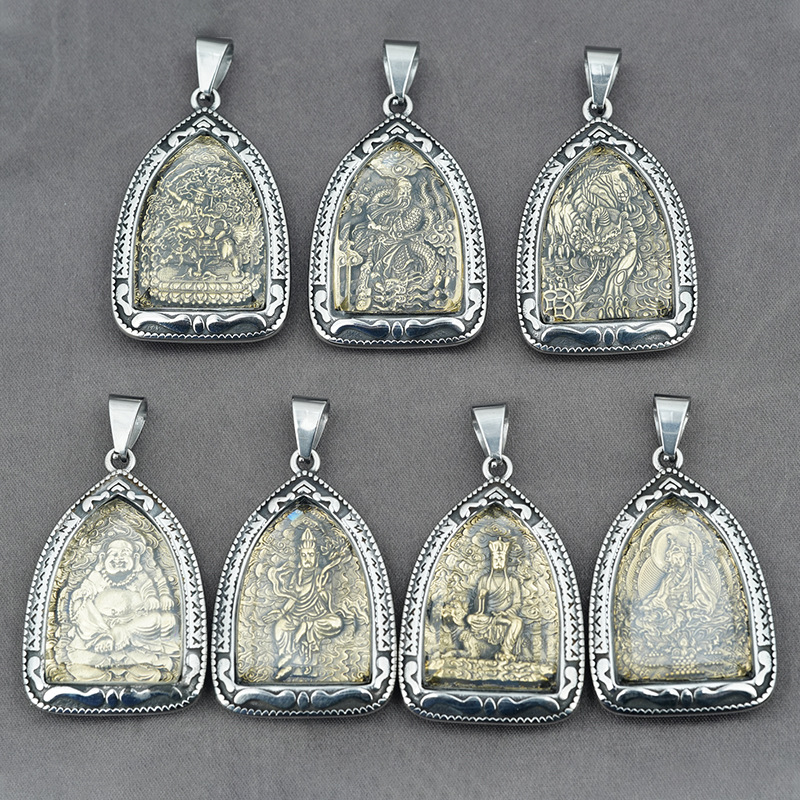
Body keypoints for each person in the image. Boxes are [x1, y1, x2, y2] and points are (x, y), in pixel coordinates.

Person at [59, 535, 180, 683]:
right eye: (114, 554)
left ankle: (118, 636)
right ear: (103, 558)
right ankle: (103, 639)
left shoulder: (140, 576)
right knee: (81, 605)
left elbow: (148, 589)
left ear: (135, 558)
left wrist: (151, 598)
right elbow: (88, 587)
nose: (119, 558)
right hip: (100, 626)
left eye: (124, 554)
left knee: (166, 620)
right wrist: (82, 593)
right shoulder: (97, 575)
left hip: (132, 626)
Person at [268, 527, 344, 680]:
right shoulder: (296, 576)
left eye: (310, 555)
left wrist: (321, 589)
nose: (307, 559)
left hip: (317, 616)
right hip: (297, 615)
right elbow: (293, 598)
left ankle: (306, 628)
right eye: (304, 555)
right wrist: (281, 612)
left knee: (337, 623)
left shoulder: (320, 574)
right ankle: (287, 658)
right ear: (300, 556)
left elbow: (328, 604)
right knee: (280, 626)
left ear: (316, 556)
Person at [464, 538, 524, 661]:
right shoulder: (484, 580)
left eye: (501, 559)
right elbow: (477, 609)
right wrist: (481, 598)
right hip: (487, 617)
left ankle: (505, 650)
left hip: (505, 616)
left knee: (517, 622)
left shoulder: (512, 581)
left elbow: (517, 604)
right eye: (495, 559)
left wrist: (506, 613)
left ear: (506, 560)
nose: (498, 562)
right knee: (470, 618)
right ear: (491, 560)